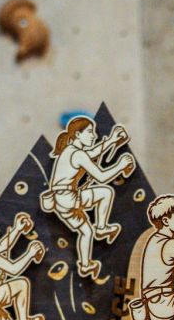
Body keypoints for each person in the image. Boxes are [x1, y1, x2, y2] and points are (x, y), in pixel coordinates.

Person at [44, 117, 135, 279]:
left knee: (86, 231)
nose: (94, 135)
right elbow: (101, 177)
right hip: (69, 198)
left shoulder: (71, 151)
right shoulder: (77, 154)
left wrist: (112, 140)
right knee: (105, 193)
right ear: (78, 134)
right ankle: (101, 227)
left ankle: (85, 265)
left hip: (61, 202)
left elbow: (92, 153)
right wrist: (120, 166)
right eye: (90, 132)